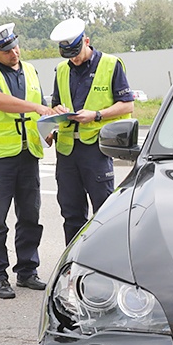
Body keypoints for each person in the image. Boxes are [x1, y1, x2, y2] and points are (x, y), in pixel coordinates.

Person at [0, 23, 57, 299]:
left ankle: (27, 271)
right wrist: (37, 107)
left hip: (28, 153)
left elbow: (41, 105)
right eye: (6, 51)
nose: (14, 53)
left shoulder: (30, 70)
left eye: (15, 47)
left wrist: (49, 130)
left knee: (30, 215)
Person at [49, 17, 135, 245]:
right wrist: (57, 110)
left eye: (76, 52)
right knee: (71, 213)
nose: (73, 59)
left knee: (104, 211)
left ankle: (106, 260)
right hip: (67, 150)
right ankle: (74, 261)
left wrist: (95, 115)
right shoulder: (60, 70)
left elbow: (127, 104)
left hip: (96, 149)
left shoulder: (110, 64)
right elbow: (55, 104)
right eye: (68, 55)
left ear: (87, 41)